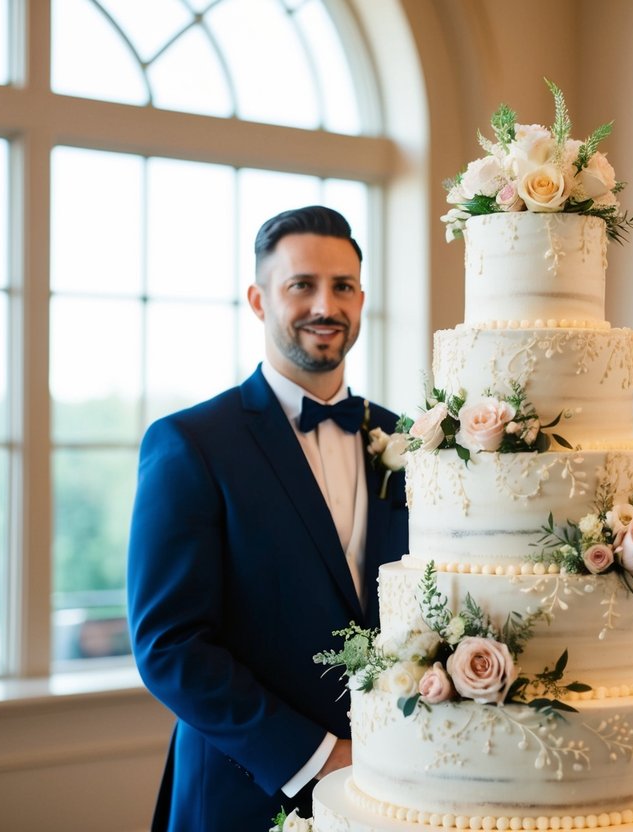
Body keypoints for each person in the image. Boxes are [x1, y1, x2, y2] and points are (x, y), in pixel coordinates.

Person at [127, 205, 409, 831]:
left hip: (388, 790)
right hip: (242, 795)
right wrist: (318, 757)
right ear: (259, 300)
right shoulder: (191, 443)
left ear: (361, 299)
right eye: (300, 286)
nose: (324, 306)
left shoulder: (407, 438)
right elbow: (169, 645)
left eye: (341, 287)